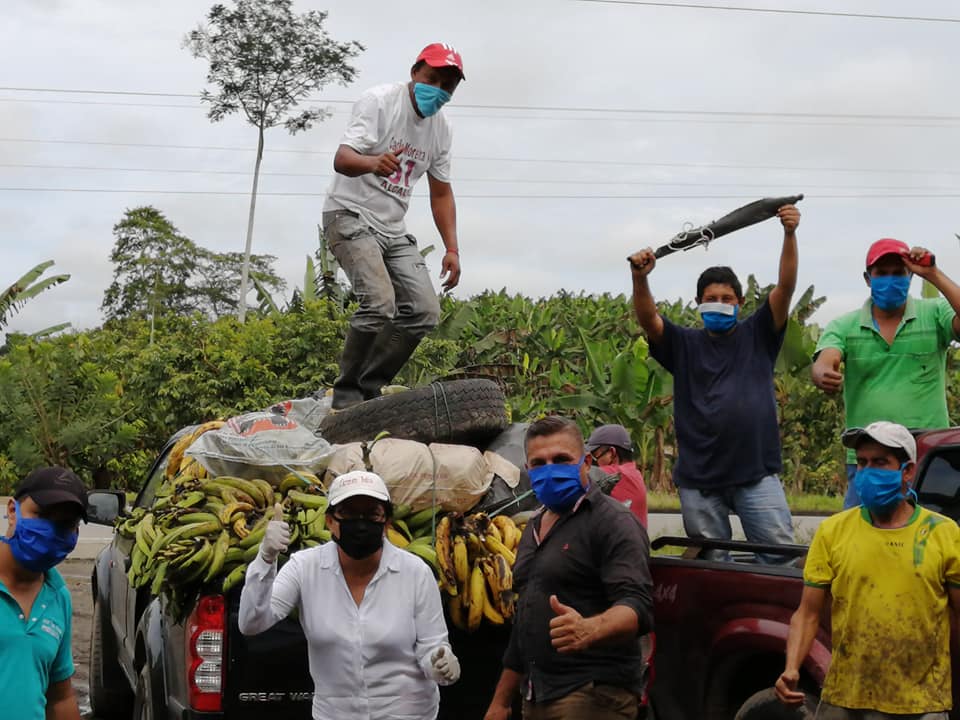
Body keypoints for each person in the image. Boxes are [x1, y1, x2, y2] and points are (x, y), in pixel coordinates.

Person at [628, 205, 801, 563]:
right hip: (699, 479)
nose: (719, 304)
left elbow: (785, 288)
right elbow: (649, 319)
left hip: (756, 473)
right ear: (698, 303)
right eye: (711, 299)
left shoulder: (759, 334)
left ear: (740, 303)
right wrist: (640, 278)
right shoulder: (683, 343)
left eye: (727, 299)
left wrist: (789, 234)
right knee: (711, 564)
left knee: (780, 557)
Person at [238, 469, 460, 720]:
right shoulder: (304, 568)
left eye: (372, 514)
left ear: (387, 523)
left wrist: (440, 663)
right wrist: (265, 559)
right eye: (349, 513)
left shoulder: (415, 573)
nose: (361, 523)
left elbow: (432, 647)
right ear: (330, 521)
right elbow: (251, 623)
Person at [776, 421, 960, 719]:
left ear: (907, 471)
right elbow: (807, 613)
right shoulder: (833, 532)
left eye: (880, 462)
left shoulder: (943, 533)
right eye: (862, 463)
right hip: (847, 697)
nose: (867, 472)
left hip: (921, 702)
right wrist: (791, 667)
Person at [322, 43, 466, 410]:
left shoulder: (441, 129)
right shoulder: (380, 101)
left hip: (393, 229)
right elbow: (342, 159)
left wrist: (451, 248)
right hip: (349, 214)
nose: (438, 90)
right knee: (379, 303)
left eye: (448, 86)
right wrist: (372, 163)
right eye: (432, 79)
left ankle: (370, 386)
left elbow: (441, 193)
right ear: (415, 72)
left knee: (423, 310)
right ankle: (346, 393)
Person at [484, 416, 653, 720]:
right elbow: (525, 621)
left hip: (591, 693)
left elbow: (637, 606)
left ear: (586, 462)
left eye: (561, 460)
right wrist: (500, 701)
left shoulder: (612, 522)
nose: (550, 470)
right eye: (539, 463)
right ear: (528, 469)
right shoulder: (533, 527)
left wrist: (590, 629)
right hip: (537, 694)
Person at [811, 238, 960, 509]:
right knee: (863, 529)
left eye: (898, 272)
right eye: (882, 273)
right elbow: (825, 359)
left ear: (910, 276)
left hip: (927, 456)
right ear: (868, 279)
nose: (890, 279)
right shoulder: (845, 325)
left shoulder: (935, 313)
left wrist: (933, 274)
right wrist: (823, 373)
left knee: (934, 529)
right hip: (869, 456)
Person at [0, 466, 88, 720]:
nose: (51, 530)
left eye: (66, 524)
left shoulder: (58, 596)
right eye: (43, 515)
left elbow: (60, 698)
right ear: (12, 511)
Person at [585, 424, 648, 528]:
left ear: (612, 453)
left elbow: (573, 472)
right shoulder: (635, 474)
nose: (593, 460)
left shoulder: (613, 474)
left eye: (595, 455)